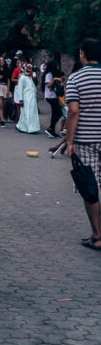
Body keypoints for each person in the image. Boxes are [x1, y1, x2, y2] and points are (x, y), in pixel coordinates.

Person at [65, 39, 101, 250]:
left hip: (85, 141)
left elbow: (73, 112)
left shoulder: (76, 78)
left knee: (90, 188)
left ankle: (97, 235)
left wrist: (69, 141)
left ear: (82, 54)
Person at [15, 64, 40, 134]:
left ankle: (22, 127)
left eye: (31, 69)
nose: (31, 71)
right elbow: (20, 89)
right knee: (27, 112)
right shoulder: (22, 78)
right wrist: (21, 99)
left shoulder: (29, 78)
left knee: (31, 112)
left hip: (32, 97)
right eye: (29, 69)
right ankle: (31, 128)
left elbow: (33, 88)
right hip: (26, 97)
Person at [44, 59, 63, 138]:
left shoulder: (53, 74)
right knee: (58, 112)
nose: (57, 67)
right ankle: (50, 128)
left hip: (53, 96)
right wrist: (55, 79)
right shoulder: (49, 74)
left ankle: (52, 130)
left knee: (55, 112)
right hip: (50, 96)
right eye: (56, 65)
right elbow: (48, 85)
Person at [0, 55, 11, 126]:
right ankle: (2, 119)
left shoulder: (7, 69)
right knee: (0, 104)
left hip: (5, 86)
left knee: (3, 105)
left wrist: (8, 90)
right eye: (0, 60)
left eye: (2, 60)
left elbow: (8, 80)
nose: (1, 62)